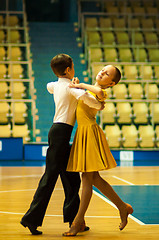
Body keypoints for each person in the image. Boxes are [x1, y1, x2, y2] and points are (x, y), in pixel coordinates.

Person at [20, 54, 104, 235]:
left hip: (59, 134)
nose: (74, 68)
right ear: (68, 70)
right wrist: (99, 104)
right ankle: (30, 219)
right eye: (72, 66)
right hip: (60, 134)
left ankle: (76, 221)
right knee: (49, 178)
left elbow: (49, 86)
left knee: (71, 178)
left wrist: (67, 82)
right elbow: (93, 102)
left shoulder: (57, 85)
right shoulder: (71, 88)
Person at [63, 65, 133, 236]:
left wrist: (80, 86)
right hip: (83, 134)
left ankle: (78, 221)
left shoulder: (101, 92)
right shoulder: (90, 89)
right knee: (94, 178)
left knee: (87, 178)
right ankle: (123, 207)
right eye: (103, 69)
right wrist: (79, 85)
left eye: (107, 74)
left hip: (90, 134)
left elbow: (97, 93)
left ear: (111, 84)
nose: (102, 72)